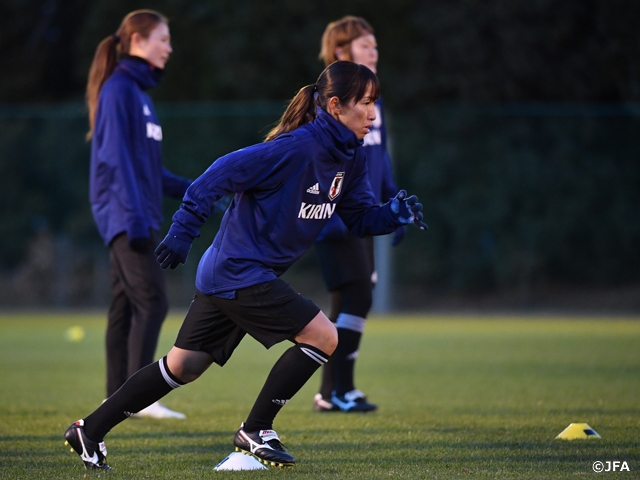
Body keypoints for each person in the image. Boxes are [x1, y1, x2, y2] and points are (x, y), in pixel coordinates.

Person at [64, 60, 426, 470]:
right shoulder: (296, 147)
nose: (373, 114)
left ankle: (88, 429)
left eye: (376, 102)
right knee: (324, 336)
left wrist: (390, 214)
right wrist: (183, 231)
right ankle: (256, 429)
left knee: (183, 366)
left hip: (237, 274)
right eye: (366, 103)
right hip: (238, 270)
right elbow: (216, 174)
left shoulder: (350, 158)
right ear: (336, 106)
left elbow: (359, 218)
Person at [86, 9, 190, 419]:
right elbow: (115, 160)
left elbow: (149, 170)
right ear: (136, 41)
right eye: (162, 39)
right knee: (153, 301)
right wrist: (134, 219)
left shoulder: (140, 95)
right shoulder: (119, 90)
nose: (168, 47)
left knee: (126, 305)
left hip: (135, 213)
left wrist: (197, 189)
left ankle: (117, 397)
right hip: (127, 217)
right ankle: (138, 400)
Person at [313, 16, 403, 413]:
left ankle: (334, 391)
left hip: (364, 216)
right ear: (340, 52)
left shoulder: (373, 99)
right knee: (358, 295)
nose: (374, 53)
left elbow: (378, 160)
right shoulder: (332, 101)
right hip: (340, 217)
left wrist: (391, 206)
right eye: (365, 47)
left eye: (375, 47)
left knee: (351, 300)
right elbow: (319, 161)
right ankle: (337, 390)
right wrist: (327, 213)